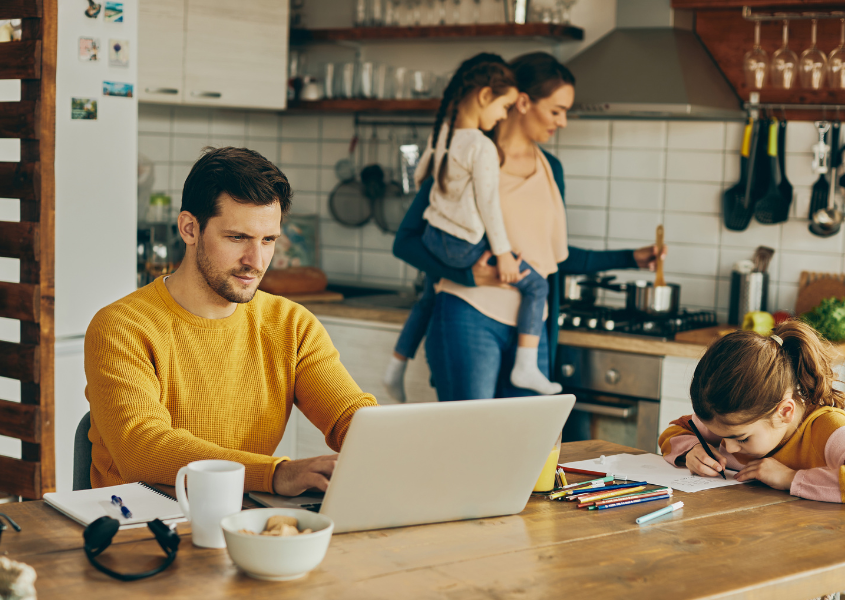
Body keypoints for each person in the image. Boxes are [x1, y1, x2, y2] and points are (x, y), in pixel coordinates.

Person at [84, 147, 377, 495]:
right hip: (140, 528)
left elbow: (349, 416)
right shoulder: (121, 327)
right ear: (190, 229)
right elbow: (142, 447)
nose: (256, 261)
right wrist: (275, 474)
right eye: (238, 238)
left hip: (244, 522)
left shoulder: (291, 325)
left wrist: (388, 442)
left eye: (268, 240)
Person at [392, 52, 662, 412]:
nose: (563, 122)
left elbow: (551, 257)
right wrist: (464, 273)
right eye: (555, 110)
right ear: (521, 102)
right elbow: (407, 240)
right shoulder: (467, 155)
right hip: (467, 317)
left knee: (525, 452)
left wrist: (630, 258)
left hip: (530, 334)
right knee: (471, 443)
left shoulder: (552, 169)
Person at [383, 53, 560, 402]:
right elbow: (488, 207)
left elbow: (424, 175)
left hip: (441, 237)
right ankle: (398, 366)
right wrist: (501, 255)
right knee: (532, 285)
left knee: (428, 294)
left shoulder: (446, 137)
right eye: (556, 110)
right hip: (467, 268)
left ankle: (396, 364)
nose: (504, 113)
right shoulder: (481, 146)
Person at [659, 321, 845, 503]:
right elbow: (675, 430)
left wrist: (790, 477)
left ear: (784, 412)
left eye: (742, 439)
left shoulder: (830, 430)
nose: (728, 447)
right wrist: (691, 451)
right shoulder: (726, 423)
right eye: (719, 435)